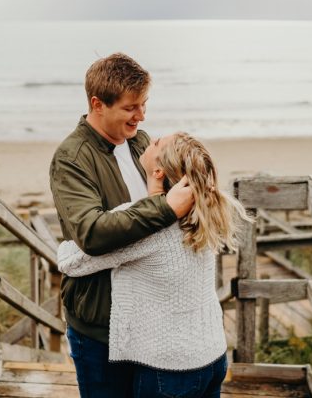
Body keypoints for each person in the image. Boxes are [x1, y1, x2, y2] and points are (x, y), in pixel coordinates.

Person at [57, 132, 247, 398]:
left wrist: (65, 244)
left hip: (171, 371)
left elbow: (71, 262)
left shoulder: (149, 227)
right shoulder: (203, 213)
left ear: (158, 171)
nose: (149, 139)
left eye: (157, 142)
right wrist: (154, 194)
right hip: (213, 356)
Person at [49, 53, 195, 398]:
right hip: (103, 328)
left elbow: (173, 216)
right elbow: (92, 233)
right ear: (98, 104)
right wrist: (164, 207)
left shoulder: (141, 143)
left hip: (151, 319)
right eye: (131, 107)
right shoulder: (71, 158)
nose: (142, 116)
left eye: (144, 104)